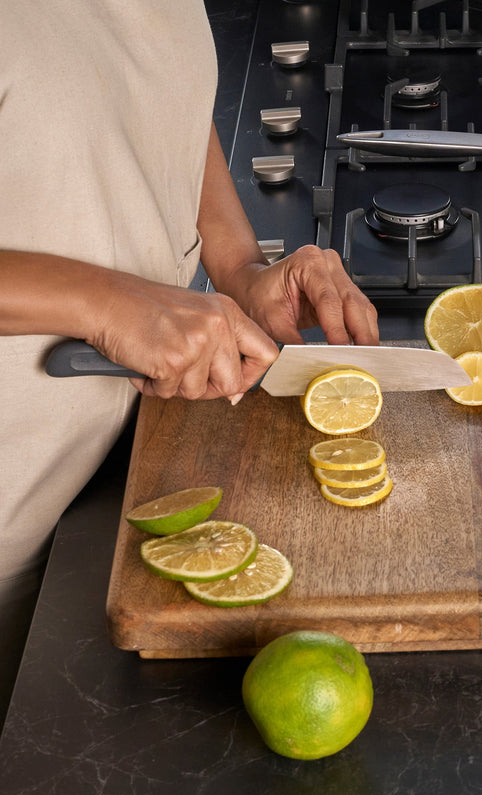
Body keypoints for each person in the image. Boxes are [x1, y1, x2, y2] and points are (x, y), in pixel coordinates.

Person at [0, 1, 378, 725]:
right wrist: (108, 304)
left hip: (129, 474)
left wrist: (241, 266)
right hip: (16, 515)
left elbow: (151, 93)